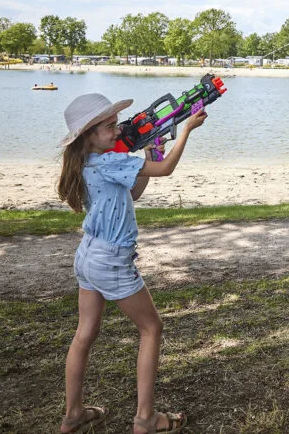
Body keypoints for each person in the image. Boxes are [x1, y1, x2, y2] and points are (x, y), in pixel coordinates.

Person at [56, 93, 207, 434]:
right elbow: (167, 169)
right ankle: (145, 418)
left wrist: (150, 154)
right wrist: (186, 131)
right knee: (152, 329)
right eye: (109, 127)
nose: (117, 131)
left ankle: (73, 414)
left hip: (89, 256)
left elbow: (133, 192)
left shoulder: (91, 162)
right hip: (111, 260)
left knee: (85, 333)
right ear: (89, 135)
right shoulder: (110, 161)